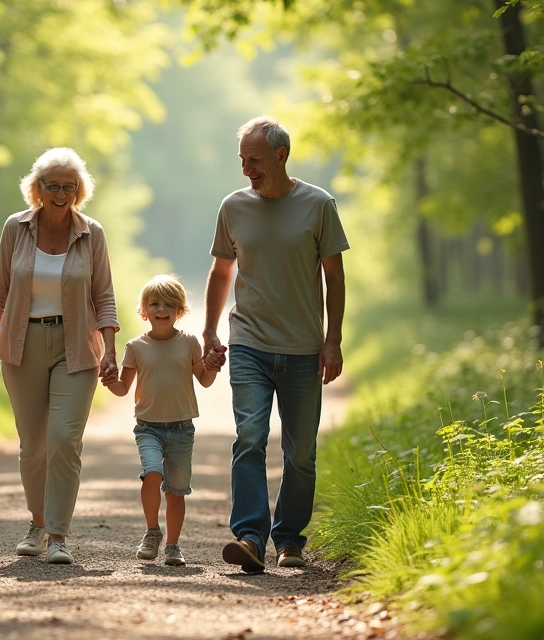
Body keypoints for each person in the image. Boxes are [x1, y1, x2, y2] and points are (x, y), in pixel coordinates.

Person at [203, 115, 349, 573]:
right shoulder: (233, 207)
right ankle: (250, 537)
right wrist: (210, 331)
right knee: (249, 437)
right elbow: (222, 271)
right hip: (248, 342)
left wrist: (333, 340)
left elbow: (334, 276)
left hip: (304, 348)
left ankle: (289, 540)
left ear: (281, 155)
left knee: (301, 452)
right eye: (242, 159)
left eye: (255, 159)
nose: (246, 167)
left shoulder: (318, 204)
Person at [0, 147, 120, 565]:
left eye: (69, 186)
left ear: (79, 190)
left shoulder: (92, 233)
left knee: (64, 440)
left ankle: (57, 535)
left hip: (76, 347)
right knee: (33, 446)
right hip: (21, 347)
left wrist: (110, 349)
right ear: (37, 188)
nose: (60, 193)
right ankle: (36, 524)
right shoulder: (14, 228)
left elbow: (104, 295)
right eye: (52, 185)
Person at [104, 274, 219, 566]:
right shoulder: (136, 347)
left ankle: (172, 546)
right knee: (152, 472)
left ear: (180, 309)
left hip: (182, 428)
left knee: (176, 492)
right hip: (148, 428)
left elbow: (204, 380)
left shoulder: (190, 342)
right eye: (154, 303)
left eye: (169, 303)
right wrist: (106, 379)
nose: (161, 309)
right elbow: (121, 389)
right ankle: (152, 531)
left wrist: (214, 365)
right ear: (144, 310)